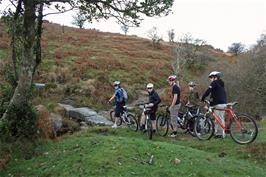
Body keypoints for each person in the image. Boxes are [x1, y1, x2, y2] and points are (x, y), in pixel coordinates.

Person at [201, 71, 227, 138]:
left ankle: (219, 134)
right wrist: (210, 100)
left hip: (218, 103)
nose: (210, 79)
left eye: (211, 77)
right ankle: (221, 134)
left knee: (218, 119)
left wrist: (203, 98)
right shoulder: (221, 83)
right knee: (221, 118)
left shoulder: (214, 82)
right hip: (224, 103)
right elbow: (214, 94)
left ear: (214, 77)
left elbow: (208, 91)